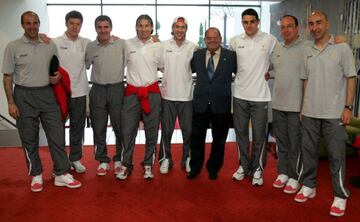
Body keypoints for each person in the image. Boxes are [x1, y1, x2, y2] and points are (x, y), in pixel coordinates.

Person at [2, 11, 81, 192]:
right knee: (29, 138)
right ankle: (36, 174)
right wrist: (11, 103)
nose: (32, 26)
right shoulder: (12, 47)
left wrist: (57, 76)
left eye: (35, 23)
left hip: (47, 94)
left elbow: (56, 68)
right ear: (22, 25)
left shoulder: (49, 44)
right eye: (28, 23)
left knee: (57, 134)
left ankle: (61, 173)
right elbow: (7, 77)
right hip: (23, 96)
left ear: (39, 24)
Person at [295, 11, 356, 217]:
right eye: (311, 24)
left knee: (336, 156)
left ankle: (340, 195)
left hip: (334, 113)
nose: (315, 27)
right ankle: (308, 185)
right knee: (308, 152)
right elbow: (305, 80)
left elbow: (351, 77)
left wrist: (348, 107)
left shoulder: (342, 47)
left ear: (327, 24)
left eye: (319, 22)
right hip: (310, 111)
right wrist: (303, 107)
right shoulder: (307, 50)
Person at [230, 8, 277, 185]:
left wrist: (269, 71)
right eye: (245, 22)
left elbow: (279, 59)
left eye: (251, 21)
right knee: (241, 134)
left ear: (258, 22)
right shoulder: (235, 41)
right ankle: (243, 166)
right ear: (242, 23)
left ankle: (258, 169)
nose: (248, 25)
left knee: (259, 136)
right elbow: (233, 65)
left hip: (261, 96)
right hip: (240, 94)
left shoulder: (269, 40)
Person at [116, 14, 164, 180]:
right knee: (127, 131)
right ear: (136, 27)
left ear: (151, 28)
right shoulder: (127, 44)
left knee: (152, 131)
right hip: (131, 93)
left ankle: (148, 164)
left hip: (152, 93)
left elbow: (164, 67)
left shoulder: (158, 46)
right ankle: (126, 164)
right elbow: (120, 62)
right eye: (140, 26)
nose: (143, 29)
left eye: (146, 26)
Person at [187, 27, 237, 180]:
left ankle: (213, 167)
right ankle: (195, 167)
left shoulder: (231, 56)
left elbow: (241, 72)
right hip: (201, 103)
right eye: (209, 38)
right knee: (197, 138)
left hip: (221, 104)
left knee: (219, 140)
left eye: (215, 37)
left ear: (220, 38)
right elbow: (189, 70)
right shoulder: (197, 55)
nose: (212, 40)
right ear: (205, 40)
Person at [270, 15, 307, 193]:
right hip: (278, 104)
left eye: (289, 26)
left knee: (295, 144)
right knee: (281, 142)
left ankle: (295, 176)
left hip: (296, 106)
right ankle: (283, 172)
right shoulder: (277, 48)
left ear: (297, 28)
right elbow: (270, 69)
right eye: (283, 27)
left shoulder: (307, 47)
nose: (286, 30)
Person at [85, 15, 126, 176]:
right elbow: (86, 65)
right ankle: (102, 160)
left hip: (117, 89)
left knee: (119, 127)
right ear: (96, 28)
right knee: (98, 127)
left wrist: (154, 39)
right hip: (98, 90)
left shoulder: (121, 44)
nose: (103, 30)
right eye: (100, 27)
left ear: (111, 28)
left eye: (106, 27)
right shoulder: (90, 46)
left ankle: (118, 158)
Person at [52, 10, 90, 174]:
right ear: (66, 24)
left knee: (77, 128)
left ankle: (75, 159)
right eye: (71, 23)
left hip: (80, 92)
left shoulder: (86, 42)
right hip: (61, 93)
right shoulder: (54, 42)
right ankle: (60, 163)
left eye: (78, 24)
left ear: (81, 25)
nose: (75, 27)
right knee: (57, 129)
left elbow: (102, 45)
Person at [158, 16, 197, 174]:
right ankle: (166, 158)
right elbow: (159, 66)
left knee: (188, 131)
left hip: (186, 96)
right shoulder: (163, 45)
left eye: (183, 27)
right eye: (177, 27)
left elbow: (196, 68)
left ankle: (187, 158)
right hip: (168, 95)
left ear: (186, 29)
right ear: (172, 28)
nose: (180, 30)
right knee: (166, 130)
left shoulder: (193, 47)